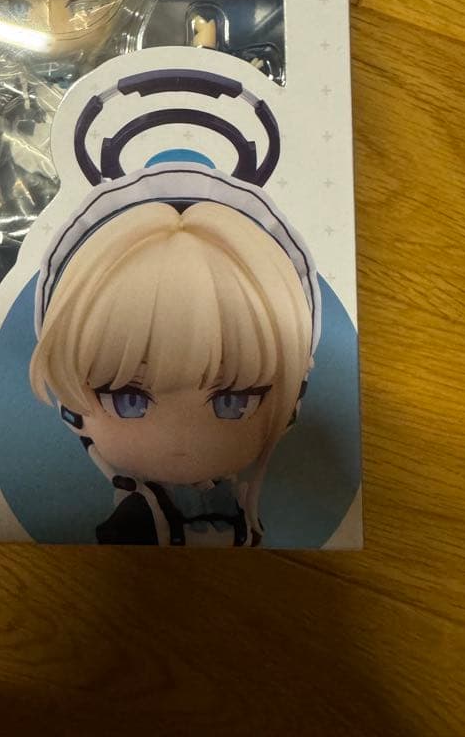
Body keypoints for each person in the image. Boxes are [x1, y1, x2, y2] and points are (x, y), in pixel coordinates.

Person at [30, 197, 315, 545]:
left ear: (292, 403)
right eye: (129, 401)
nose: (181, 439)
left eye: (234, 402)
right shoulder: (133, 521)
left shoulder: (237, 503)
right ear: (71, 410)